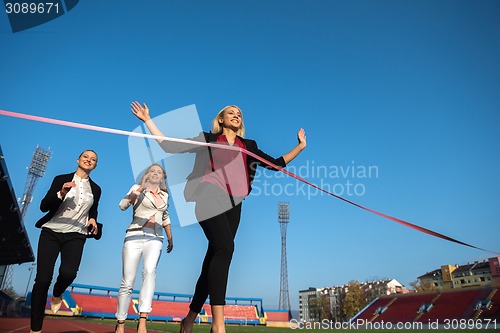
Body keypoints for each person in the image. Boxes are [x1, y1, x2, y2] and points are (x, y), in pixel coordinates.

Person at [131, 102, 306, 333]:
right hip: (207, 196)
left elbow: (274, 164)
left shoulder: (248, 145)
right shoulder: (209, 139)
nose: (236, 115)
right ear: (221, 120)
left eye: (239, 114)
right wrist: (148, 120)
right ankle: (218, 325)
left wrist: (300, 147)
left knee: (214, 259)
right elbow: (170, 146)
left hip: (234, 204)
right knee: (226, 248)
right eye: (231, 113)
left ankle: (189, 319)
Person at [30, 150, 101, 333]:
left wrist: (92, 219)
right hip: (51, 232)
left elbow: (93, 210)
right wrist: (61, 192)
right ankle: (35, 329)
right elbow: (44, 206)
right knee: (42, 279)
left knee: (69, 273)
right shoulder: (61, 178)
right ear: (78, 160)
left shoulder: (96, 189)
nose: (89, 160)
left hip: (76, 234)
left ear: (95, 165)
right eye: (86, 157)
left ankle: (57, 292)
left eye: (93, 159)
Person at [115, 163, 173, 333]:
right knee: (128, 280)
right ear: (147, 174)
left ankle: (142, 320)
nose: (155, 173)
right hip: (134, 236)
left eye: (159, 172)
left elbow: (165, 216)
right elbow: (122, 205)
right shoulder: (137, 188)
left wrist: (170, 237)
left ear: (162, 178)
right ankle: (121, 323)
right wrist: (138, 191)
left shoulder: (165, 195)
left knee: (149, 271)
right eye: (152, 171)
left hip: (155, 237)